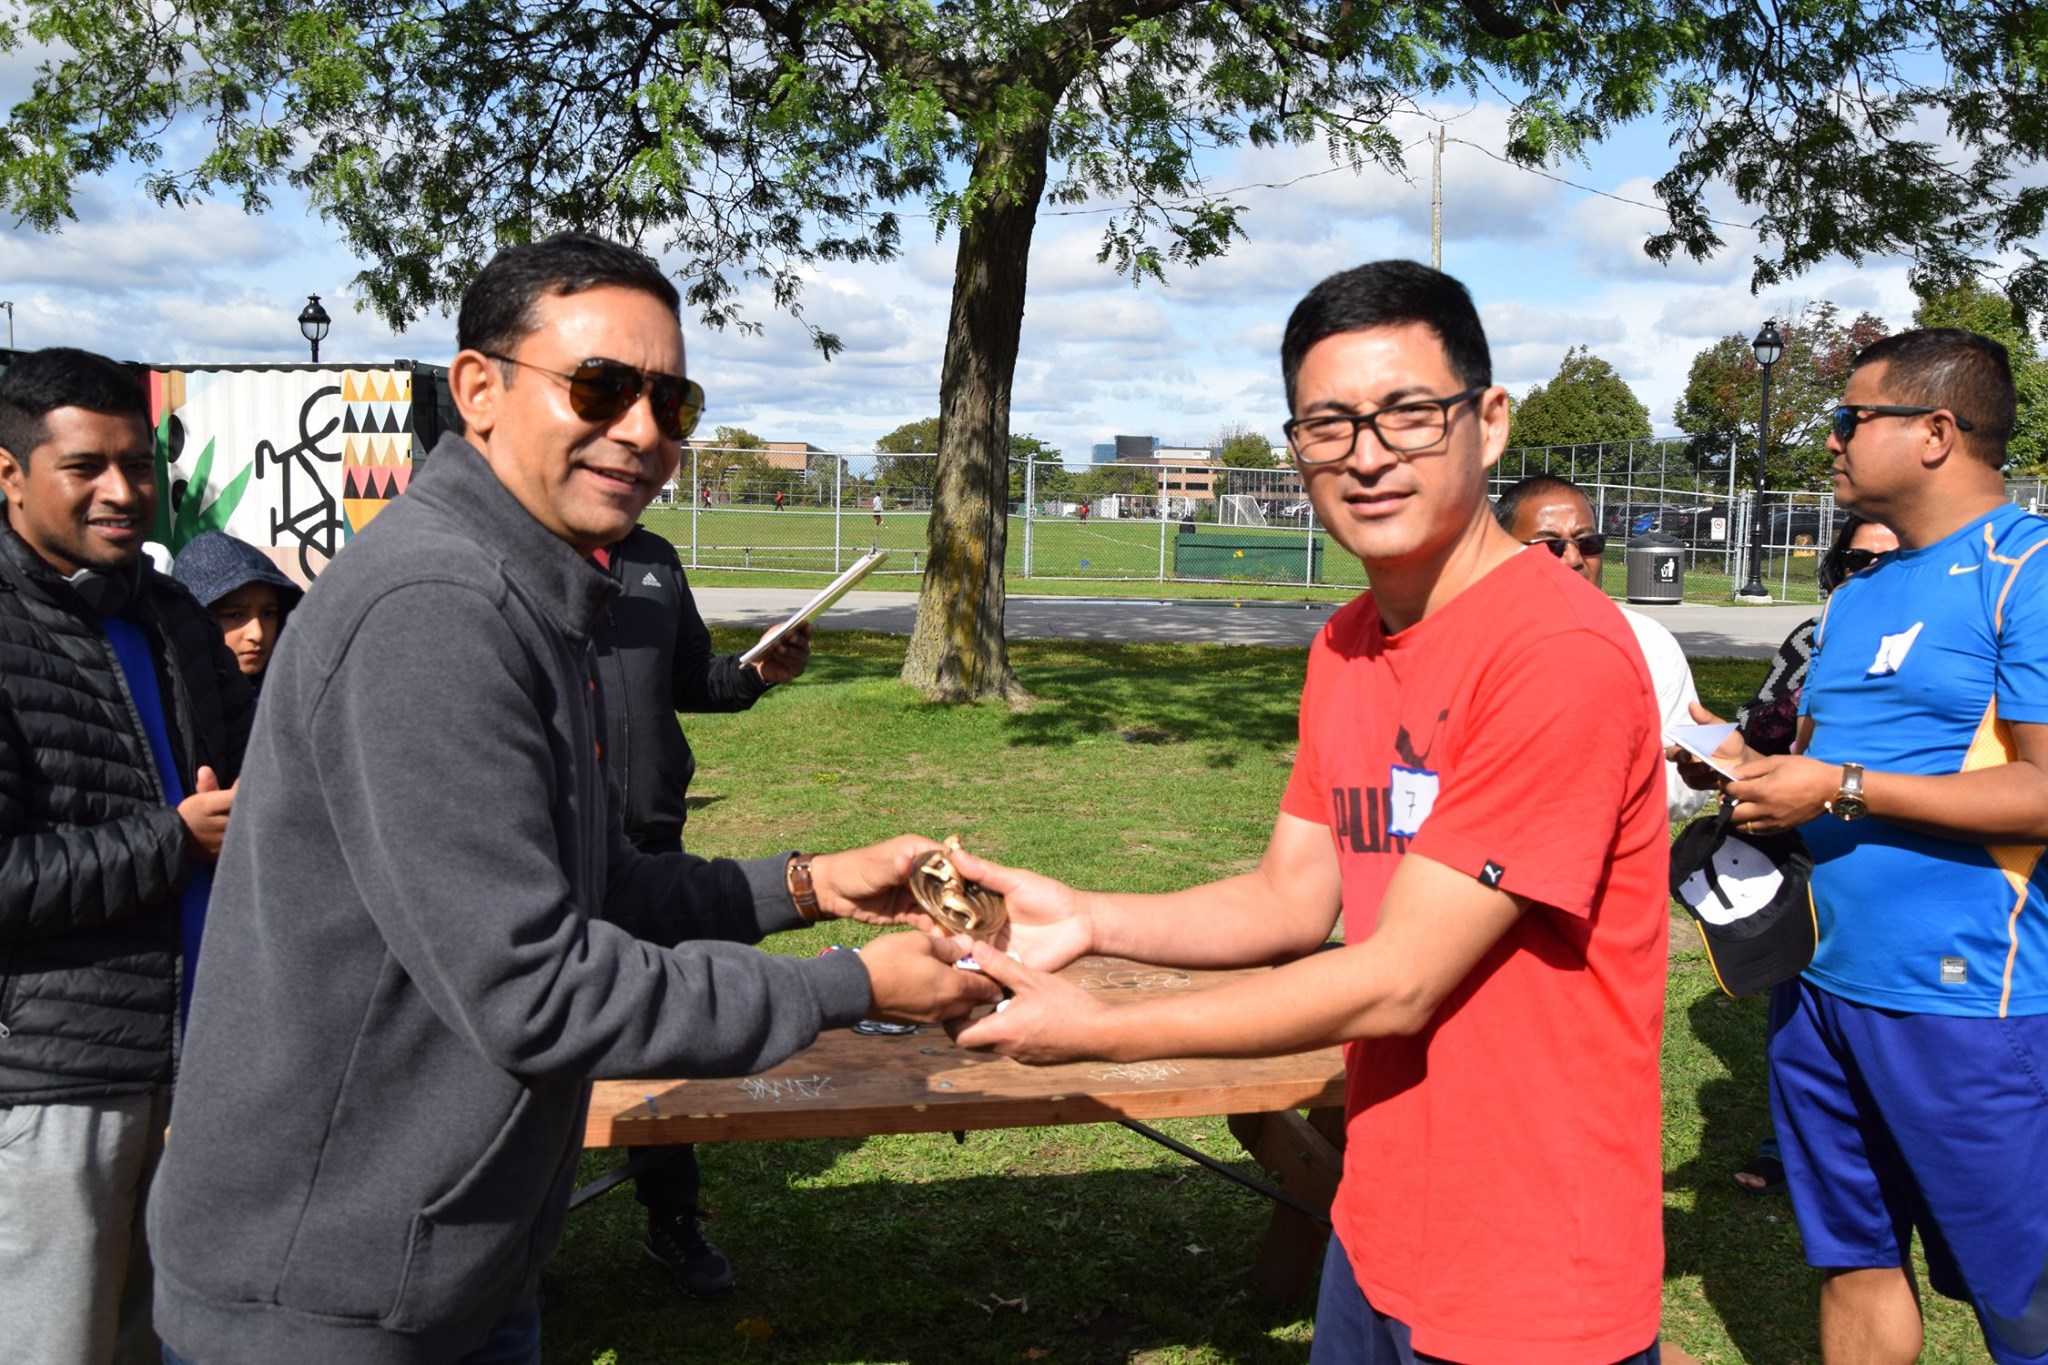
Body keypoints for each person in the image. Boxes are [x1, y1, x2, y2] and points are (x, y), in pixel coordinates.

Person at [146, 233, 998, 1364]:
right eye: (598, 387)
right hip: (331, 1290)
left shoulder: (532, 592)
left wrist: (810, 885)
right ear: (478, 390)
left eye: (672, 401)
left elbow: (598, 881)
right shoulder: (434, 609)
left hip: (451, 1258)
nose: (643, 431)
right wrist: (853, 986)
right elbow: (535, 987)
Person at [953, 261, 1670, 1364]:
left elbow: (1399, 978)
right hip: (1378, 1226)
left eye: (1408, 414)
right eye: (1329, 424)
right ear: (1297, 450)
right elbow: (1289, 900)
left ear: (1486, 421)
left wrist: (1100, 1031)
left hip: (1530, 1264)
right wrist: (1088, 919)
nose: (1367, 455)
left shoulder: (1556, 651)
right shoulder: (1346, 644)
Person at [1690, 328, 2048, 1365]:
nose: (1831, 439)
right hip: (1815, 985)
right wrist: (1750, 778)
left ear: (1934, 431)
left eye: (1850, 417)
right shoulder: (1857, 594)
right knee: (1852, 1260)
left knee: (2024, 1297)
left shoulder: (2027, 574)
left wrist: (1840, 787)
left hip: (1966, 1005)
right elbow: (1815, 769)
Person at [0, 347, 253, 1364]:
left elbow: (258, 768)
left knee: (174, 1338)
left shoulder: (169, 611)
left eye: (138, 466)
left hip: (204, 1060)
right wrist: (172, 840)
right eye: (85, 467)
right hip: (56, 1083)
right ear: (11, 474)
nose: (121, 491)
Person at [593, 522, 813, 1296]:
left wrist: (756, 672)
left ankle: (672, 1217)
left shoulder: (655, 558)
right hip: (558, 838)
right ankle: (511, 1228)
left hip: (654, 837)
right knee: (540, 1032)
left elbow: (691, 678)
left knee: (661, 1027)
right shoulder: (529, 545)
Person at [1494, 474, 1709, 822]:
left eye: (1588, 543)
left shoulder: (1649, 643)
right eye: (1549, 546)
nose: (1574, 559)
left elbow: (1685, 785)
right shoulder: (1463, 641)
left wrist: (1591, 786)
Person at [170, 529, 305, 685]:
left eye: (268, 613)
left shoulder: (299, 690)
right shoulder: (163, 695)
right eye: (235, 615)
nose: (257, 634)